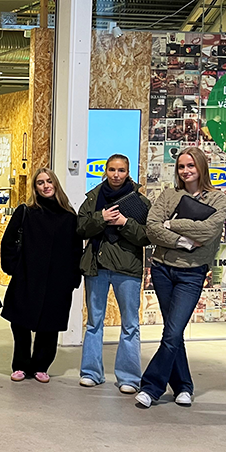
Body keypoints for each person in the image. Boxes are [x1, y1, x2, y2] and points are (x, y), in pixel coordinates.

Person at [138, 148, 226, 409]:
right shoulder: (169, 195)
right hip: (163, 269)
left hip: (192, 273)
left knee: (173, 331)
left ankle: (151, 386)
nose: (186, 171)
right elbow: (152, 228)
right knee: (173, 332)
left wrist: (172, 224)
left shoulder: (217, 199)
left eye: (191, 166)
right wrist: (182, 241)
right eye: (181, 166)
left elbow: (209, 230)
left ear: (201, 167)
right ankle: (183, 387)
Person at [77, 153, 151, 393]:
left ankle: (129, 378)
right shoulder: (94, 198)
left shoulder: (140, 202)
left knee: (130, 324)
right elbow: (80, 227)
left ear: (128, 172)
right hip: (96, 266)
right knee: (93, 322)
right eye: (112, 170)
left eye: (121, 170)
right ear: (105, 171)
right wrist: (102, 217)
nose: (116, 175)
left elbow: (146, 236)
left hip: (127, 268)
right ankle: (91, 372)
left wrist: (124, 223)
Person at [1, 168, 82, 383]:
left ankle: (40, 366)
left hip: (57, 280)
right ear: (35, 187)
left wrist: (74, 278)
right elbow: (8, 242)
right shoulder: (26, 212)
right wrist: (13, 268)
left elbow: (76, 250)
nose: (45, 186)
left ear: (55, 184)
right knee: (20, 323)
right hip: (27, 276)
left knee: (50, 325)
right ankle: (20, 364)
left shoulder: (69, 217)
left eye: (49, 181)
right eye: (40, 183)